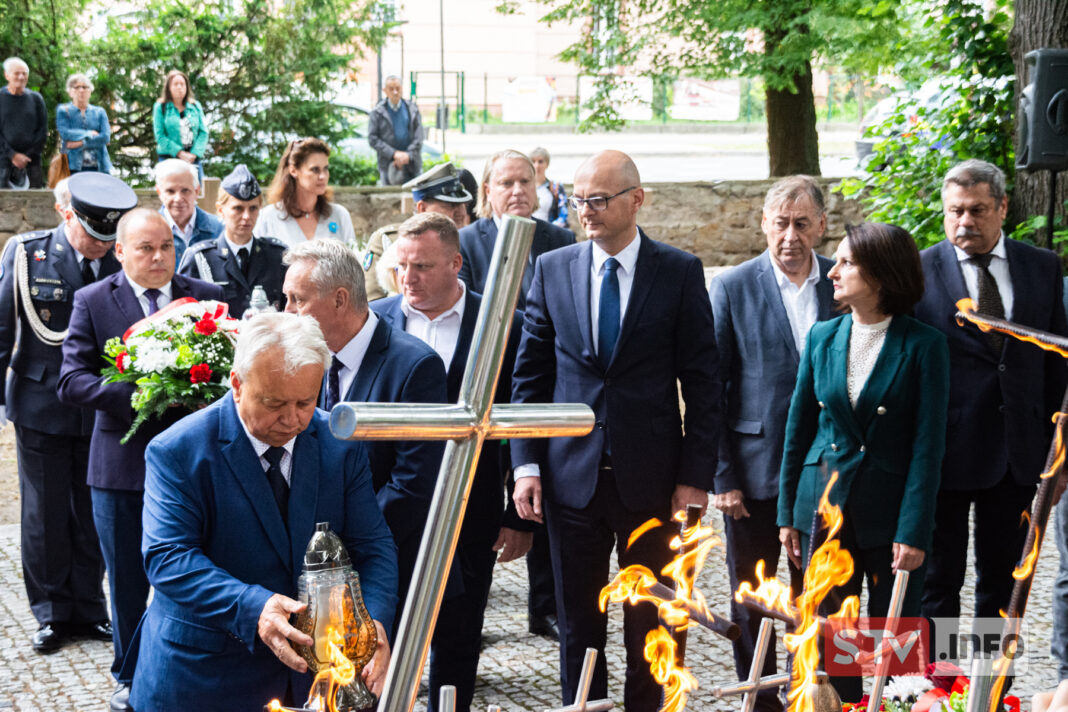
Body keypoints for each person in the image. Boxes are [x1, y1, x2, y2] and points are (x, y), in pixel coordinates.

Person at [511, 150, 720, 710]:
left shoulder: (677, 272)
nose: (586, 210)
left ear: (636, 199)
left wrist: (696, 477)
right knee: (578, 625)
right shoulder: (553, 269)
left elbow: (704, 383)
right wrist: (526, 464)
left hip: (654, 482)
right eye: (579, 199)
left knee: (654, 625)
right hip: (569, 480)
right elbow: (528, 379)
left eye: (599, 199)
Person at [128, 312, 398, 712]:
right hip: (205, 679)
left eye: (306, 402)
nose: (292, 420)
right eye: (273, 403)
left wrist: (372, 622)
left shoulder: (337, 445)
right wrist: (255, 607)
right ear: (237, 385)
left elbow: (372, 545)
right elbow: (169, 558)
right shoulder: (178, 451)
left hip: (314, 683)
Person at [57, 208, 223, 712]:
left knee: (203, 569)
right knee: (129, 579)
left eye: (166, 248)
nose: (158, 258)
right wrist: (143, 392)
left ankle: (201, 664)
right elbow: (71, 380)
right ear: (120, 251)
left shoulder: (207, 299)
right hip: (122, 469)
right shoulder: (91, 301)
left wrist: (201, 386)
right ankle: (130, 676)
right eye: (146, 249)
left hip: (197, 466)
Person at [778, 222, 950, 703]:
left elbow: (928, 445)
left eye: (847, 262)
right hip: (825, 507)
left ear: (881, 274)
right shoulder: (822, 336)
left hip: (891, 511)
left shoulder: (924, 345)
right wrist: (789, 513)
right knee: (832, 635)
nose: (833, 271)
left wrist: (914, 531)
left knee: (895, 641)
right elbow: (799, 430)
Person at [372, 212, 533, 712]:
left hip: (472, 507)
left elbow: (520, 420)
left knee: (459, 638)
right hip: (389, 510)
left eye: (421, 266)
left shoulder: (501, 323)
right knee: (381, 637)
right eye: (400, 267)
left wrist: (514, 515)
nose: (408, 279)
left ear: (456, 264)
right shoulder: (376, 320)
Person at [913, 160, 1068, 639]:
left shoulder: (1042, 268)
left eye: (978, 210)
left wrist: (1057, 456)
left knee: (1002, 588)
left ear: (1002, 207)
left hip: (1017, 456)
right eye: (955, 211)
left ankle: (989, 695)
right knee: (936, 583)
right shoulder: (919, 271)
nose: (965, 222)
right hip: (944, 457)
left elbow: (1057, 367)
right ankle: (933, 694)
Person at [708, 175, 835, 712]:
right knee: (753, 597)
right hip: (754, 472)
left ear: (822, 227)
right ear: (763, 223)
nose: (790, 236)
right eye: (780, 223)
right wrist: (723, 477)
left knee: (824, 594)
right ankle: (759, 701)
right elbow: (712, 388)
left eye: (802, 224)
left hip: (826, 470)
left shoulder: (844, 282)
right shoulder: (733, 287)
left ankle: (815, 693)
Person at [281, 239, 446, 636]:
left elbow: (413, 483)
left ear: (339, 299)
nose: (286, 311)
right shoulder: (304, 357)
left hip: (386, 563)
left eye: (297, 299)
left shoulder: (415, 366)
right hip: (313, 568)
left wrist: (342, 540)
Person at [0, 174, 134, 655]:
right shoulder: (27, 255)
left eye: (107, 238)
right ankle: (52, 612)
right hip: (42, 405)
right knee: (45, 512)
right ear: (67, 215)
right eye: (91, 235)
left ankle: (89, 606)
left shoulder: (121, 259)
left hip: (99, 408)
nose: (100, 247)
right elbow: (2, 332)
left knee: (92, 511)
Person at [459, 149, 574, 311]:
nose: (518, 191)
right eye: (507, 183)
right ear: (488, 191)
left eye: (525, 181)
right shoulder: (465, 242)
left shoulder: (562, 240)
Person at [179, 164, 288, 317]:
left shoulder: (277, 256)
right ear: (220, 210)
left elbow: (290, 310)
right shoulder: (199, 258)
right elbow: (183, 314)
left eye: (253, 208)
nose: (246, 216)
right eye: (238, 208)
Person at [363, 162, 473, 301]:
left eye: (462, 204)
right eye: (449, 205)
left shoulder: (474, 243)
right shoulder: (387, 240)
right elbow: (373, 302)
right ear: (422, 208)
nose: (459, 212)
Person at [255, 137, 356, 247]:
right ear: (293, 170)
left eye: (325, 168)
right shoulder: (268, 218)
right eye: (315, 170)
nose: (323, 176)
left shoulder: (339, 215)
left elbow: (352, 261)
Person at [155, 158, 223, 266]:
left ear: (196, 191)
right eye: (170, 191)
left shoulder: (220, 229)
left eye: (185, 190)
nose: (178, 198)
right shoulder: (147, 231)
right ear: (160, 193)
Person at [152, 69, 208, 186]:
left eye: (182, 84)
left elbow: (203, 132)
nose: (179, 87)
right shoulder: (160, 107)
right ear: (169, 87)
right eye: (175, 84)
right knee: (170, 192)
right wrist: (180, 153)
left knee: (196, 191)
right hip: (169, 158)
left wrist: (193, 154)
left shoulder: (195, 106)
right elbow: (160, 136)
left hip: (193, 159)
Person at [0, 57, 47, 189]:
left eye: (24, 74)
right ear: (6, 75)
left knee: (35, 204)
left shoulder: (36, 99)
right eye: (17, 73)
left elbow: (42, 131)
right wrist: (12, 155)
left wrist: (26, 156)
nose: (21, 77)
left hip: (31, 162)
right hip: (3, 162)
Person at [368, 75, 423, 185]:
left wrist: (408, 155)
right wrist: (394, 154)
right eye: (391, 89)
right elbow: (373, 139)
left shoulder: (412, 109)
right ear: (385, 90)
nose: (395, 92)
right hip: (388, 164)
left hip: (412, 163)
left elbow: (419, 136)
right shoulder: (377, 112)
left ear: (402, 89)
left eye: (398, 88)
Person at [56, 73, 111, 175]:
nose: (81, 90)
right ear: (70, 92)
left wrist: (80, 143)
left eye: (85, 87)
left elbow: (105, 137)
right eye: (76, 87)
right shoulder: (63, 111)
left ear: (90, 91)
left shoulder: (99, 112)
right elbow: (65, 133)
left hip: (100, 166)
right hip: (74, 167)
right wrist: (89, 134)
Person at [530, 147, 569, 228]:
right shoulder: (524, 187)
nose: (537, 166)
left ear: (547, 164)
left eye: (540, 162)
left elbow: (563, 214)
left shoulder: (555, 187)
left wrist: (551, 230)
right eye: (533, 162)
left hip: (548, 233)